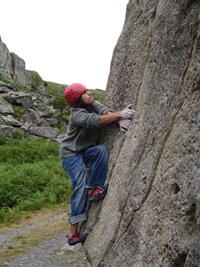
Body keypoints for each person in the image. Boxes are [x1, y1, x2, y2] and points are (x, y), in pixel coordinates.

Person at [60, 83, 135, 246]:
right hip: (70, 156)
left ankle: (94, 189)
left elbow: (104, 112)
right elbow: (98, 120)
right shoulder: (77, 115)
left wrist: (118, 119)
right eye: (85, 92)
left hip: (83, 151)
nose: (89, 93)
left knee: (101, 150)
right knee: (79, 187)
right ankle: (73, 234)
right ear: (78, 100)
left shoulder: (92, 104)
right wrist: (120, 114)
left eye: (87, 90)